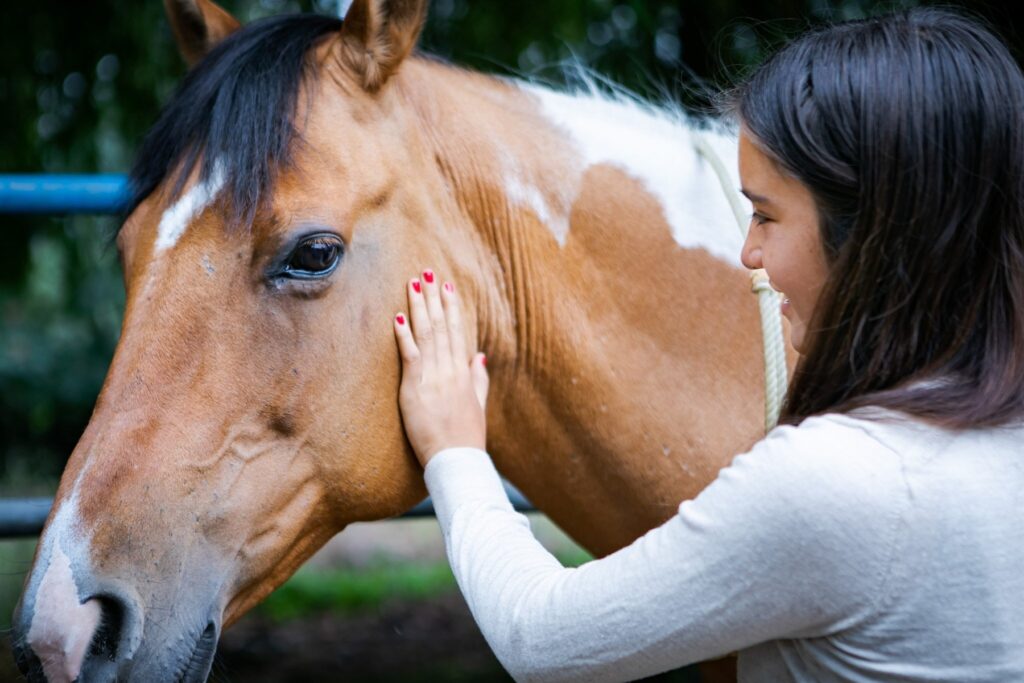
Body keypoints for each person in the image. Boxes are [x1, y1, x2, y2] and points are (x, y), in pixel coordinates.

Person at [390, 8, 1024, 682]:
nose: (748, 252)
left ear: (875, 235)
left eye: (767, 214)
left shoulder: (837, 483)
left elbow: (539, 635)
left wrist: (455, 449)